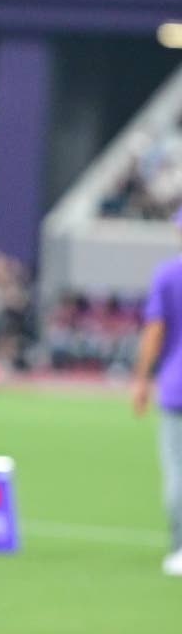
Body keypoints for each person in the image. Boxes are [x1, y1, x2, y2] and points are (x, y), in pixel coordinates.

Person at [133, 207, 182, 574]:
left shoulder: (168, 274)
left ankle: (180, 547)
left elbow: (154, 331)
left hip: (175, 386)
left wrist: (141, 380)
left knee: (177, 472)